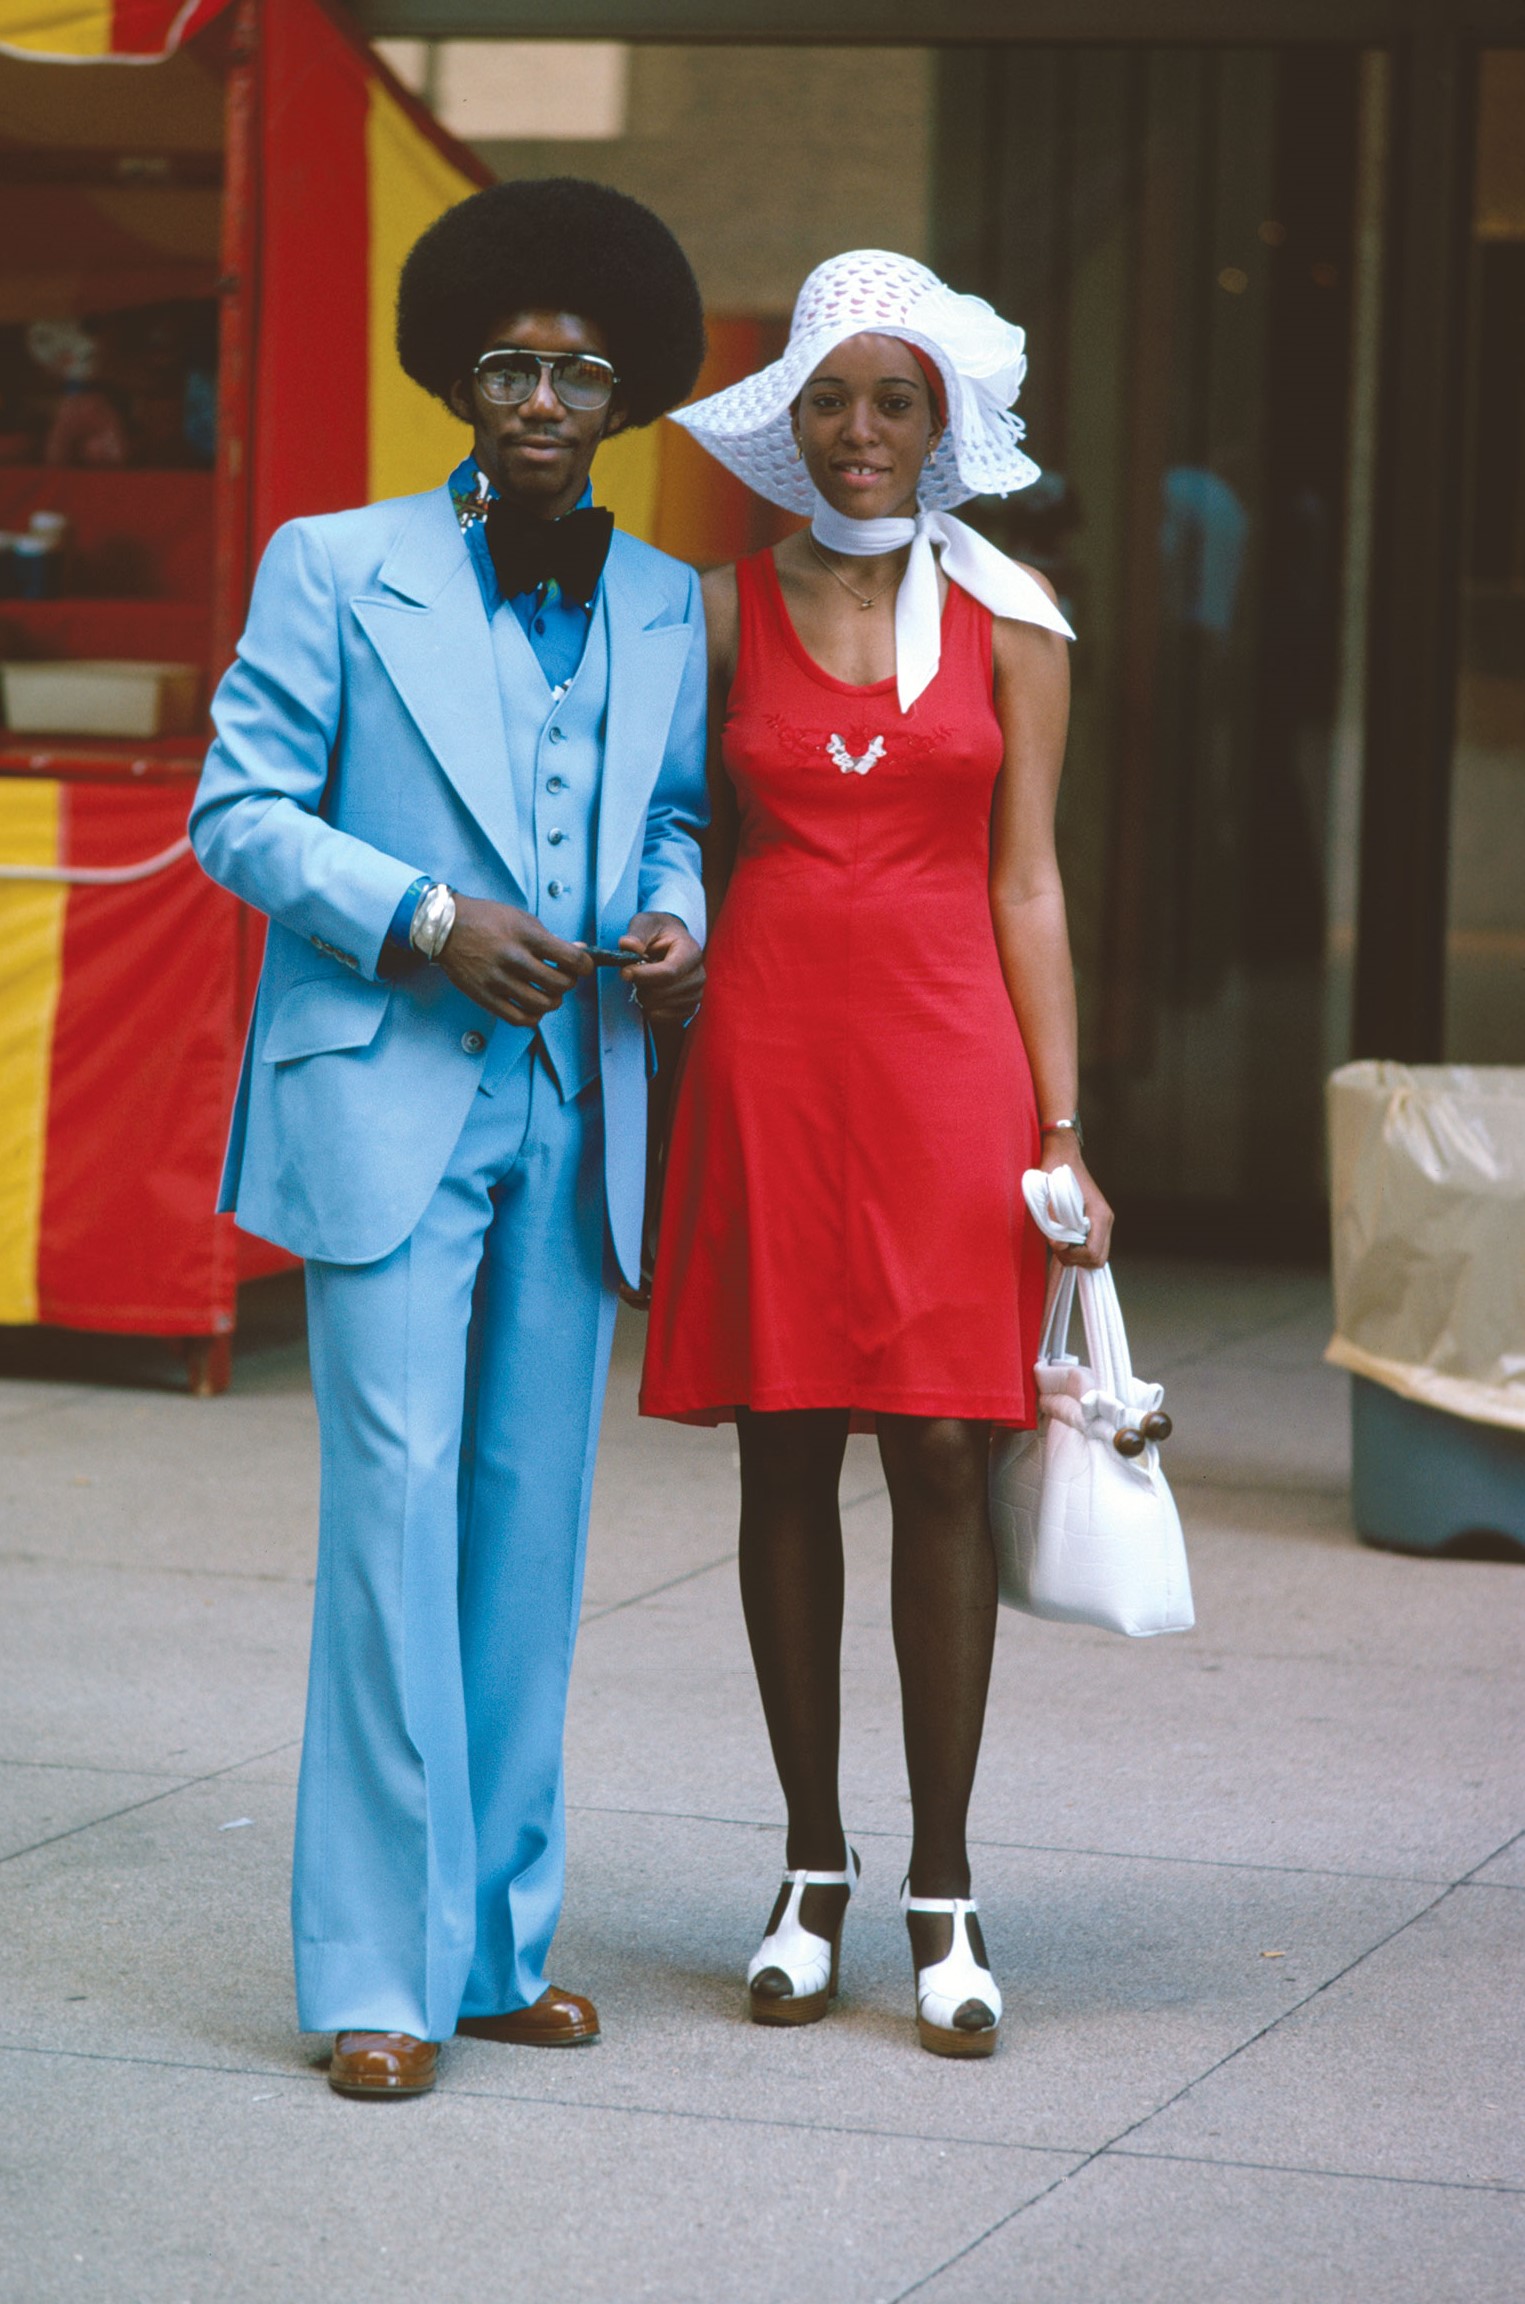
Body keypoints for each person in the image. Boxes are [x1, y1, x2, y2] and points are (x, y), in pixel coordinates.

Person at [190, 179, 708, 2098]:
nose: (542, 402)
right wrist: (422, 914)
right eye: (508, 368)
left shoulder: (664, 601)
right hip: (387, 1094)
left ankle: (492, 1949)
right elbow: (239, 812)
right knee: (393, 1525)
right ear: (456, 379)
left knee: (527, 1533)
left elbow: (673, 814)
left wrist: (676, 920)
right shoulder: (334, 565)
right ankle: (373, 1979)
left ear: (628, 394)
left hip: (576, 1106)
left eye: (579, 374)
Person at [640, 251, 1112, 2059]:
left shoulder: (1015, 618)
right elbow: (670, 831)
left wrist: (1061, 1132)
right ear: (792, 416)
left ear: (943, 425)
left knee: (938, 1447)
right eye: (831, 397)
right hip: (767, 1059)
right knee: (784, 1444)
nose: (860, 430)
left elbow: (1028, 879)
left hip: (946, 1068)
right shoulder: (711, 612)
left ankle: (945, 1889)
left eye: (893, 402)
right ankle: (807, 1870)